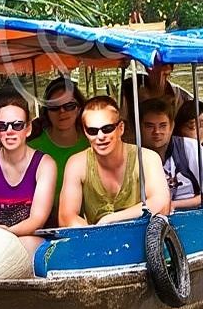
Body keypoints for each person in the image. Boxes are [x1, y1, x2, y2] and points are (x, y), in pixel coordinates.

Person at [59, 96, 170, 226]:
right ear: (85, 132)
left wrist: (110, 220)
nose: (100, 136)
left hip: (143, 234)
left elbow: (161, 204)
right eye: (92, 131)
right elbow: (66, 217)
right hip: (95, 236)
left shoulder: (147, 158)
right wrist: (93, 233)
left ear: (121, 128)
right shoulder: (76, 164)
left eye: (107, 129)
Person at [0, 95, 55, 252]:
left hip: (27, 240)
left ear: (28, 129)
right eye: (2, 126)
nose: (9, 131)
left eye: (17, 125)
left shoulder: (45, 164)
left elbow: (37, 220)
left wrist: (6, 234)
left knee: (28, 244)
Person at [139, 98, 203, 210]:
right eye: (149, 126)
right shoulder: (132, 155)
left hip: (191, 214)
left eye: (163, 125)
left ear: (171, 127)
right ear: (139, 128)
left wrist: (174, 205)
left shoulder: (190, 147)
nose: (157, 132)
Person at [27, 76, 88, 216]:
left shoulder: (93, 142)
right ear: (47, 111)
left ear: (79, 109)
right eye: (54, 107)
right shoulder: (31, 149)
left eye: (69, 106)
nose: (62, 112)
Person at [119, 61, 191, 131]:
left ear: (170, 70)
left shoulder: (179, 96)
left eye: (165, 74)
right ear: (147, 69)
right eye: (156, 72)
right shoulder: (129, 91)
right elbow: (123, 124)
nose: (160, 79)